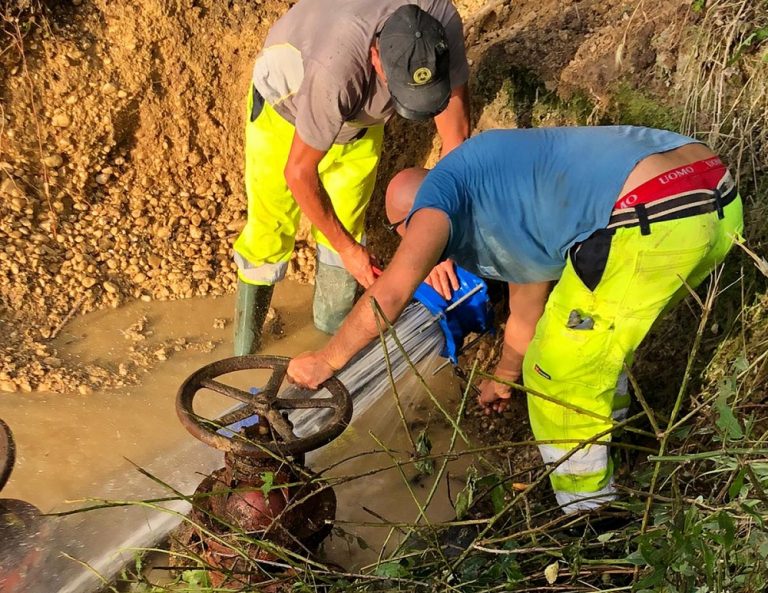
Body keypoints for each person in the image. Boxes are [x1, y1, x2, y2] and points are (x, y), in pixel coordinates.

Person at [286, 125, 744, 513]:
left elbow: (389, 293)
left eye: (403, 232)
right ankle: (618, 444)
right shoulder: (499, 190)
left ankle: (589, 514)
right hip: (715, 196)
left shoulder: (436, 201)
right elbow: (528, 306)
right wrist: (504, 377)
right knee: (594, 342)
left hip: (652, 216)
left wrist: (327, 360)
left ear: (414, 218)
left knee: (555, 371)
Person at [232, 0, 471, 354]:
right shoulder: (334, 72)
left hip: (359, 123)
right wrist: (349, 251)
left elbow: (455, 136)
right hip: (287, 106)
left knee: (346, 220)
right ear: (376, 58)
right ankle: (245, 349)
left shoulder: (440, 23)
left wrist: (439, 242)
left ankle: (330, 336)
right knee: (271, 228)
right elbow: (298, 173)